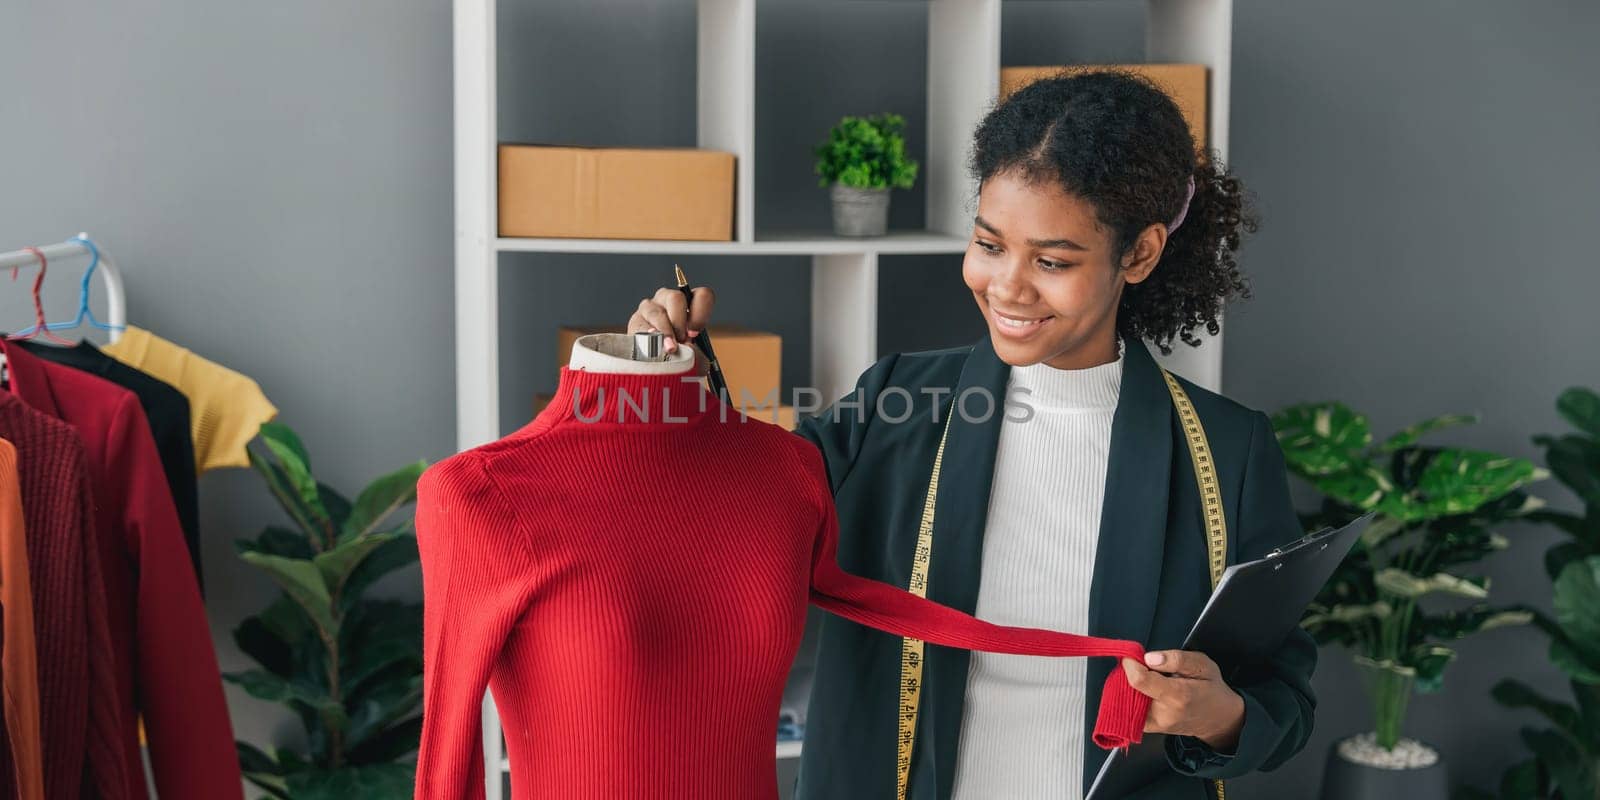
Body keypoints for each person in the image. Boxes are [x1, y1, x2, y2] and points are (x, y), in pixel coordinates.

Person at [628, 70, 1314, 800]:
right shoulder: (895, 401)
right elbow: (735, 511)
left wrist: (1218, 715)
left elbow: (1285, 703)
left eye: (1052, 262)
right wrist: (669, 379)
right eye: (990, 245)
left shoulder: (1225, 455)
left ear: (1139, 254)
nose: (1009, 286)